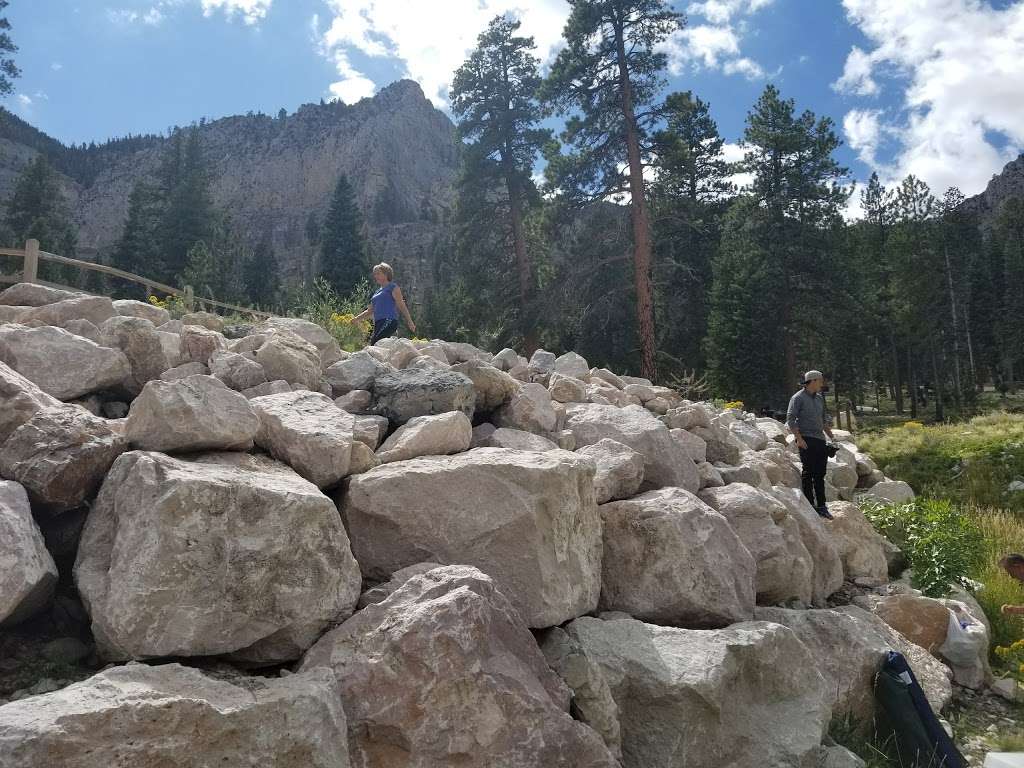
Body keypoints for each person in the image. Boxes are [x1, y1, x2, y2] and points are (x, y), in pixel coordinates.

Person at [787, 369, 836, 519]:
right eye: (820, 381)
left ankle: (822, 506)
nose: (822, 383)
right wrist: (799, 439)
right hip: (806, 439)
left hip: (820, 439)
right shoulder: (798, 398)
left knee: (820, 474)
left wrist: (831, 436)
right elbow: (790, 419)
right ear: (813, 381)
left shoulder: (820, 398)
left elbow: (822, 420)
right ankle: (810, 505)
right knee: (808, 472)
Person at [350, 262, 416, 345]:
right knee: (378, 344)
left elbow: (401, 305)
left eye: (378, 274)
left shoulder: (393, 287)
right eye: (375, 274)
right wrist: (356, 319)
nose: (375, 276)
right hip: (378, 323)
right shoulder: (377, 292)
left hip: (389, 320)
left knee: (375, 343)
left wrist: (410, 321)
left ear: (386, 274)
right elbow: (370, 311)